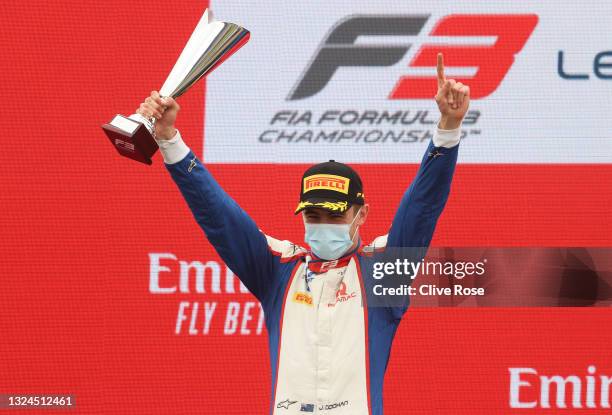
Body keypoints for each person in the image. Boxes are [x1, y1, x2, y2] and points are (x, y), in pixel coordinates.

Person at [136, 53, 469, 415]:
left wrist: (447, 130)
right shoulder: (277, 271)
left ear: (362, 214)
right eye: (313, 214)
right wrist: (169, 139)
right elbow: (219, 216)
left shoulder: (383, 272)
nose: (322, 223)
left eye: (334, 215)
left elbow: (422, 208)